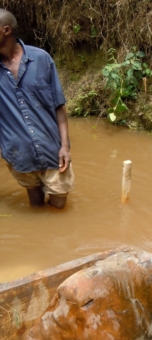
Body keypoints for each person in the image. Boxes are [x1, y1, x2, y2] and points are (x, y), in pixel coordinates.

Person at [0, 9, 74, 209]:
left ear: (6, 30)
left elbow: (59, 106)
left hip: (53, 150)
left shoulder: (41, 59)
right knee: (35, 204)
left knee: (59, 205)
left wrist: (64, 146)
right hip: (19, 155)